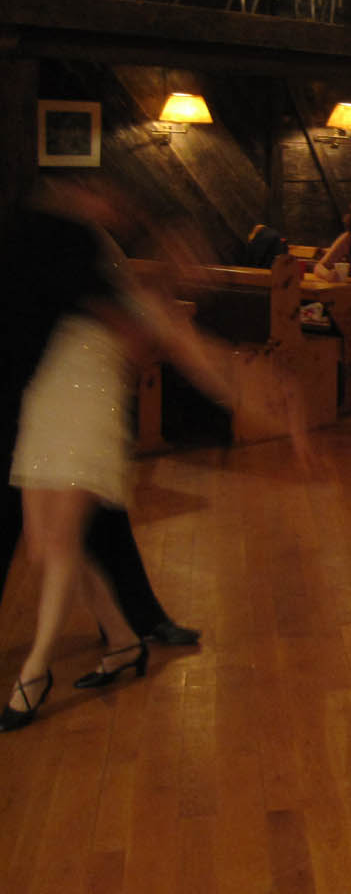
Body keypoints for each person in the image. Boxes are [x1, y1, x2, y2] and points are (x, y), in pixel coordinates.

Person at [0, 178, 255, 731]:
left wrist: (266, 395)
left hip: (86, 420)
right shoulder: (105, 272)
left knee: (61, 544)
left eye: (197, 257)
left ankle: (35, 672)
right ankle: (121, 639)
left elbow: (202, 362)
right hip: (45, 407)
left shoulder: (145, 304)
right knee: (47, 547)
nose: (187, 261)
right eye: (181, 250)